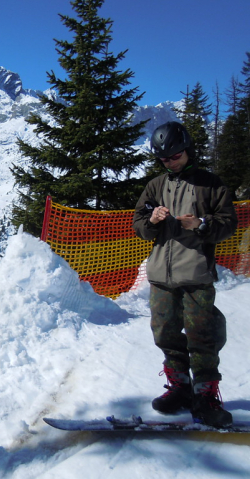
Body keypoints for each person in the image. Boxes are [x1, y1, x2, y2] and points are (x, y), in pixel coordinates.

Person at [133, 121, 238, 428]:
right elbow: (139, 225)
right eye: (164, 158)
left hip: (196, 274)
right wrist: (151, 219)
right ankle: (180, 387)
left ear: (187, 150)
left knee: (201, 335)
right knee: (165, 333)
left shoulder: (211, 184)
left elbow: (228, 224)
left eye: (175, 155)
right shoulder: (155, 186)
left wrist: (202, 224)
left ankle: (205, 394)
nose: (170, 161)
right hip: (161, 277)